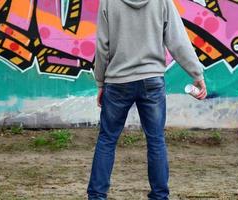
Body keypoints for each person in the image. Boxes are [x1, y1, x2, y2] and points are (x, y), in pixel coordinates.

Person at [87, 0, 207, 199]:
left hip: (118, 82)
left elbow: (102, 46)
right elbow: (178, 41)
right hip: (152, 80)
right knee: (156, 140)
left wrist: (101, 82)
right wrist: (197, 74)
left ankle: (97, 196)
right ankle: (160, 196)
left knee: (107, 140)